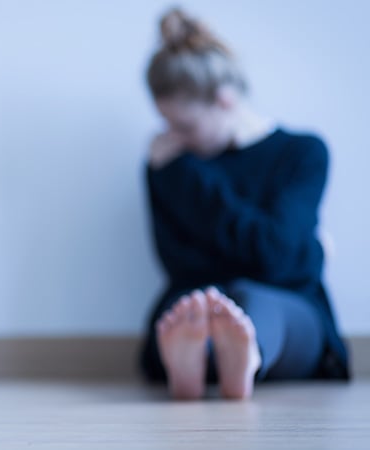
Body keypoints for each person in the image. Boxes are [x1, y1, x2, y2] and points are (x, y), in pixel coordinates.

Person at [138, 8, 350, 400]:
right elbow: (177, 262)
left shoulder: (301, 153)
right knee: (191, 310)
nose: (174, 138)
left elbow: (275, 257)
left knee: (248, 304)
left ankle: (240, 356)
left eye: (185, 126)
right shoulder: (169, 164)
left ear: (226, 99)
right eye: (167, 124)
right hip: (193, 301)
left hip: (283, 305)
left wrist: (188, 179)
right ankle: (200, 357)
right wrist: (313, 254)